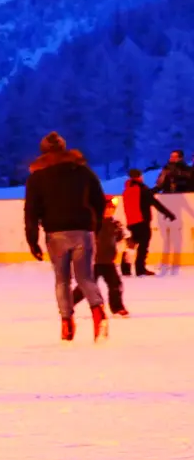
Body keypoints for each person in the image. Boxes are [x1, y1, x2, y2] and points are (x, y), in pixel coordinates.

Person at [24, 131, 108, 341]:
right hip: (83, 230)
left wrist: (32, 240)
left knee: (62, 281)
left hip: (56, 233)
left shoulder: (37, 177)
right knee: (85, 277)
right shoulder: (82, 171)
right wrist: (94, 226)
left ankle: (66, 323)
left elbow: (31, 211)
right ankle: (98, 312)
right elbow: (99, 200)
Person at [73, 198, 128, 316]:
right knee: (87, 286)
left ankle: (117, 308)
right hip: (94, 262)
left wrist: (122, 235)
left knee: (115, 285)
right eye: (107, 209)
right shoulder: (94, 224)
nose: (109, 211)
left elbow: (118, 239)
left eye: (112, 209)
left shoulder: (114, 224)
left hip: (108, 261)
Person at [122, 167, 177, 276]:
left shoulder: (128, 188)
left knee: (131, 246)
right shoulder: (142, 188)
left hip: (131, 221)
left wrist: (157, 188)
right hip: (142, 221)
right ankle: (140, 268)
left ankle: (125, 268)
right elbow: (154, 202)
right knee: (143, 246)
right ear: (139, 176)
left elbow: (148, 194)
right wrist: (169, 214)